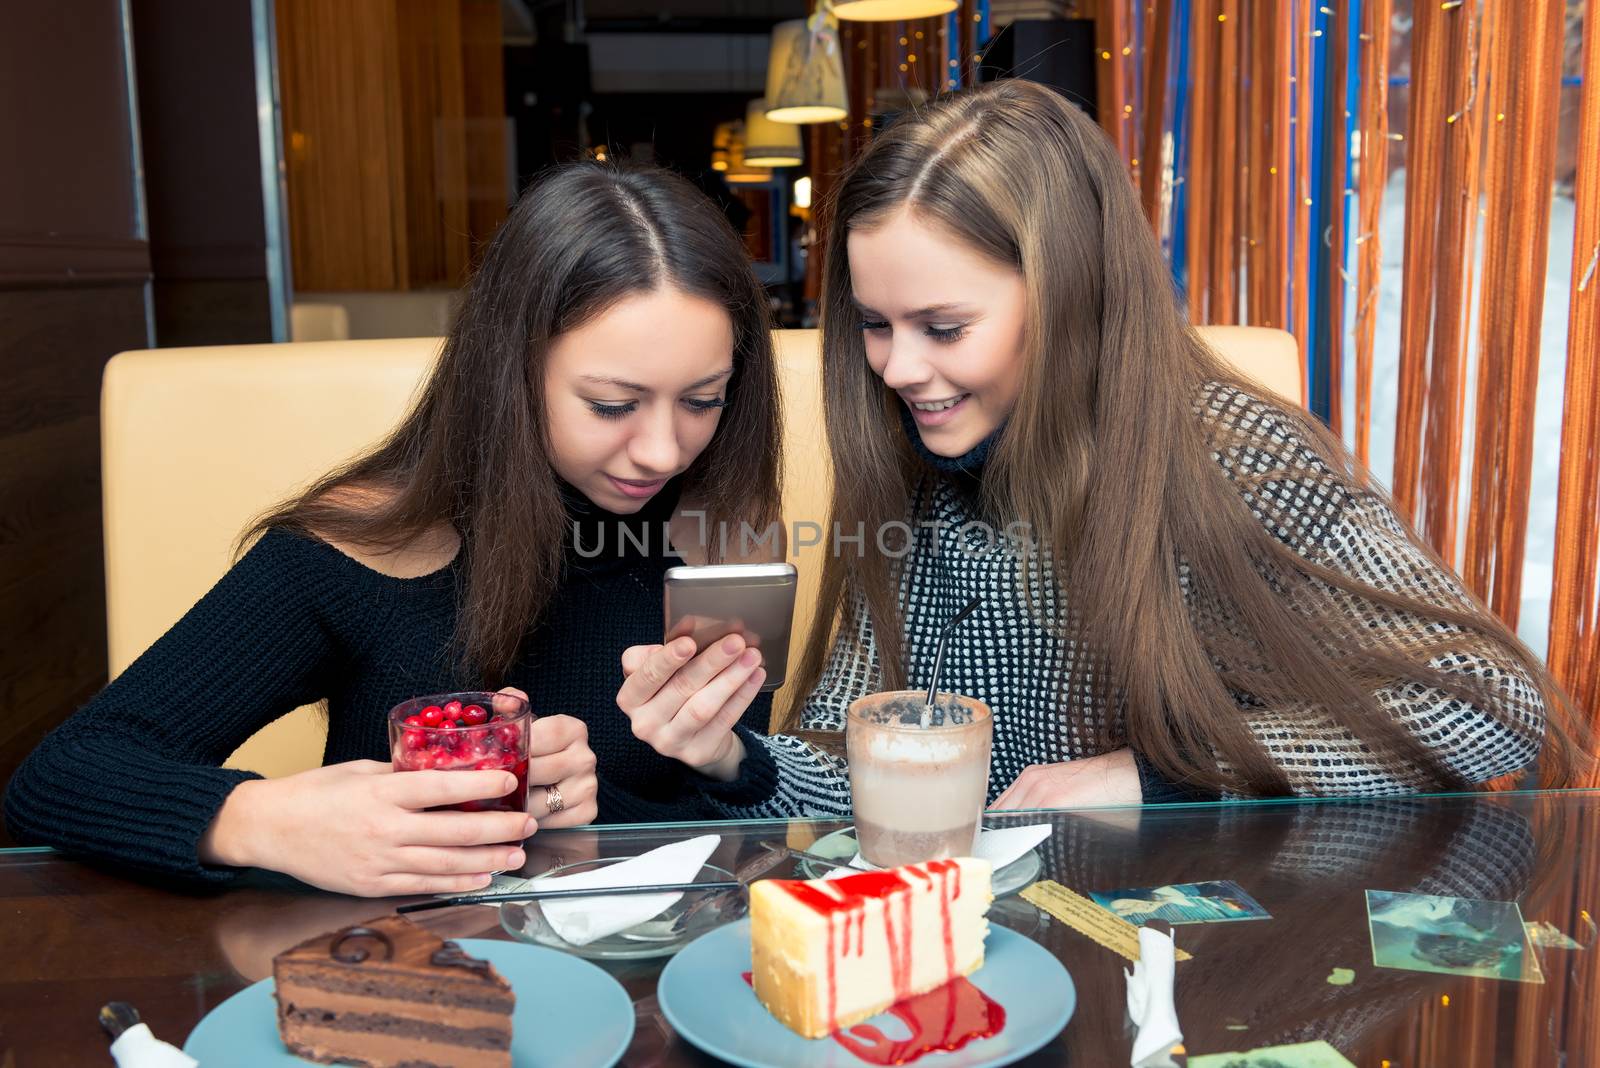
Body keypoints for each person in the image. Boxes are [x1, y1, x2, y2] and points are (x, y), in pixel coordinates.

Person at [619, 79, 1582, 813]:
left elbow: (1489, 705)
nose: (900, 370)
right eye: (875, 325)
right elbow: (873, 766)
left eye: (944, 328)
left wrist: (1151, 779)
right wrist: (733, 758)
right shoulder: (924, 474)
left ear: (1073, 301)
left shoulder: (1237, 452)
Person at [3, 162, 783, 895]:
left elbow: (741, 851)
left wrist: (624, 799)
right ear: (510, 374)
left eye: (702, 399)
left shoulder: (723, 538)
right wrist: (267, 821)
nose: (662, 450)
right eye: (612, 405)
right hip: (397, 976)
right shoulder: (365, 544)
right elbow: (62, 776)